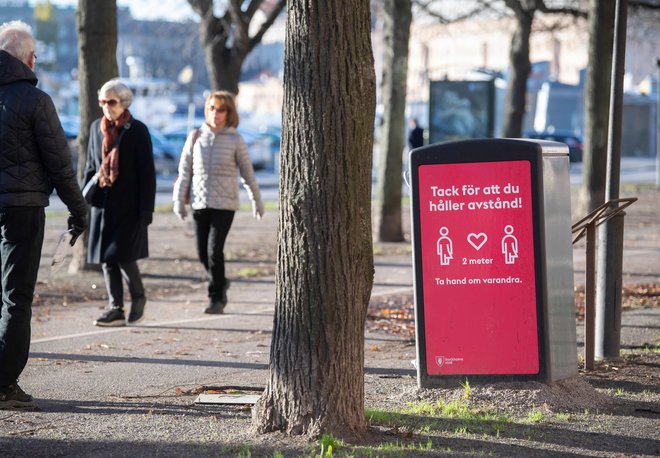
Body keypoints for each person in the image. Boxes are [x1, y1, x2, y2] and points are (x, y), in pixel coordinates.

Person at [0, 21, 88, 409]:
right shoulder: (36, 101)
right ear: (29, 58)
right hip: (22, 207)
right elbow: (59, 164)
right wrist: (79, 209)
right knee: (15, 299)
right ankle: (4, 385)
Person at [173, 91, 264, 315]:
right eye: (212, 108)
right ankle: (221, 280)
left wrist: (256, 199)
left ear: (229, 113)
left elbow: (247, 173)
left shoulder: (235, 140)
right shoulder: (195, 137)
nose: (216, 113)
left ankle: (216, 298)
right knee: (202, 253)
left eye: (221, 109)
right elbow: (185, 171)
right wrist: (178, 199)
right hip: (200, 202)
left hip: (225, 204)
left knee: (215, 251)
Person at [83, 79, 156, 327]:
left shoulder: (137, 130)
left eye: (111, 102)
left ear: (124, 103)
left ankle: (138, 296)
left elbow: (147, 173)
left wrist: (147, 209)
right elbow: (90, 167)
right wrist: (83, 197)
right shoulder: (95, 128)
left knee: (123, 255)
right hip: (103, 205)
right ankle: (115, 307)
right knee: (106, 258)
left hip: (129, 206)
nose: (106, 106)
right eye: (102, 101)